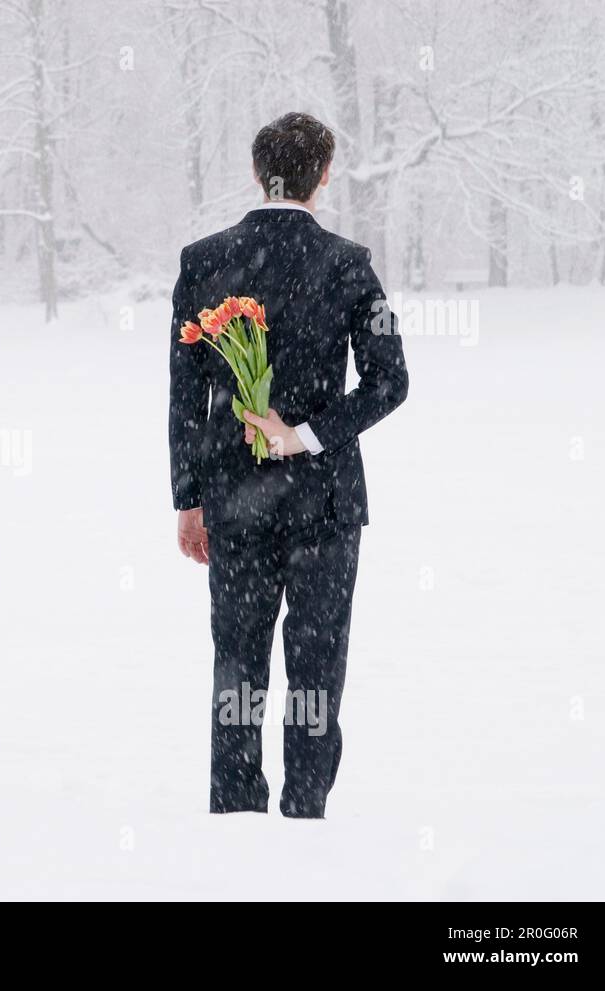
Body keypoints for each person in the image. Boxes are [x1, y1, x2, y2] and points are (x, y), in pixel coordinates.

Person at [169, 111, 409, 818]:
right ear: (324, 175)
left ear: (255, 171)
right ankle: (306, 820)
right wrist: (305, 434)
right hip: (324, 506)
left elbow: (186, 394)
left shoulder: (202, 260)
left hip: (232, 499)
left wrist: (188, 498)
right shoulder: (349, 263)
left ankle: (237, 824)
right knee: (315, 672)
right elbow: (390, 381)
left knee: (236, 666)